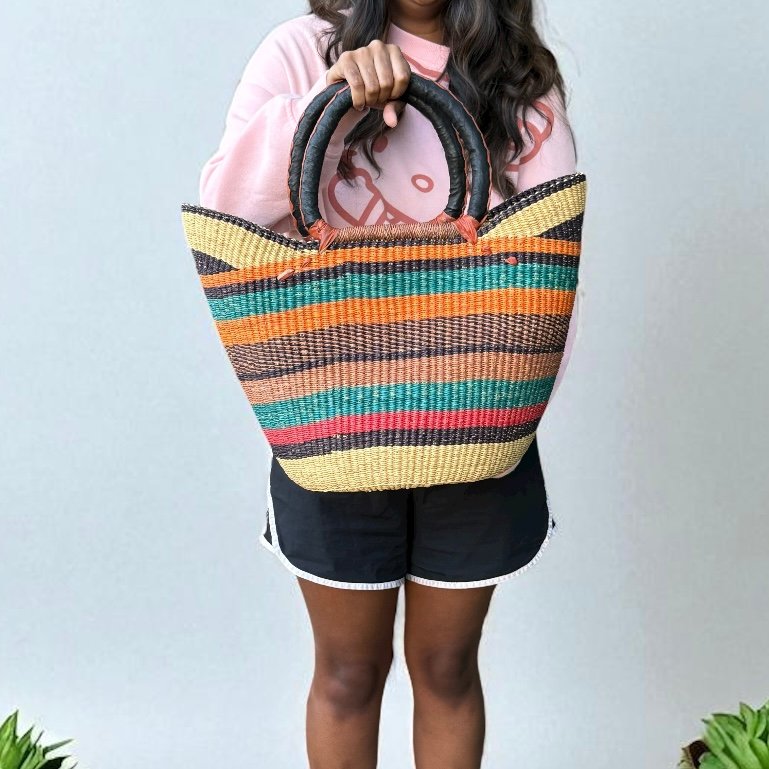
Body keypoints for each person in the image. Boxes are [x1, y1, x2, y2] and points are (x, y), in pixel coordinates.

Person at [198, 0, 583, 765]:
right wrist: (329, 103)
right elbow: (225, 217)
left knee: (446, 668)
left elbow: (550, 272)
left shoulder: (518, 79)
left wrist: (511, 396)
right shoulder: (302, 51)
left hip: (479, 424)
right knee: (347, 672)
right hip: (329, 419)